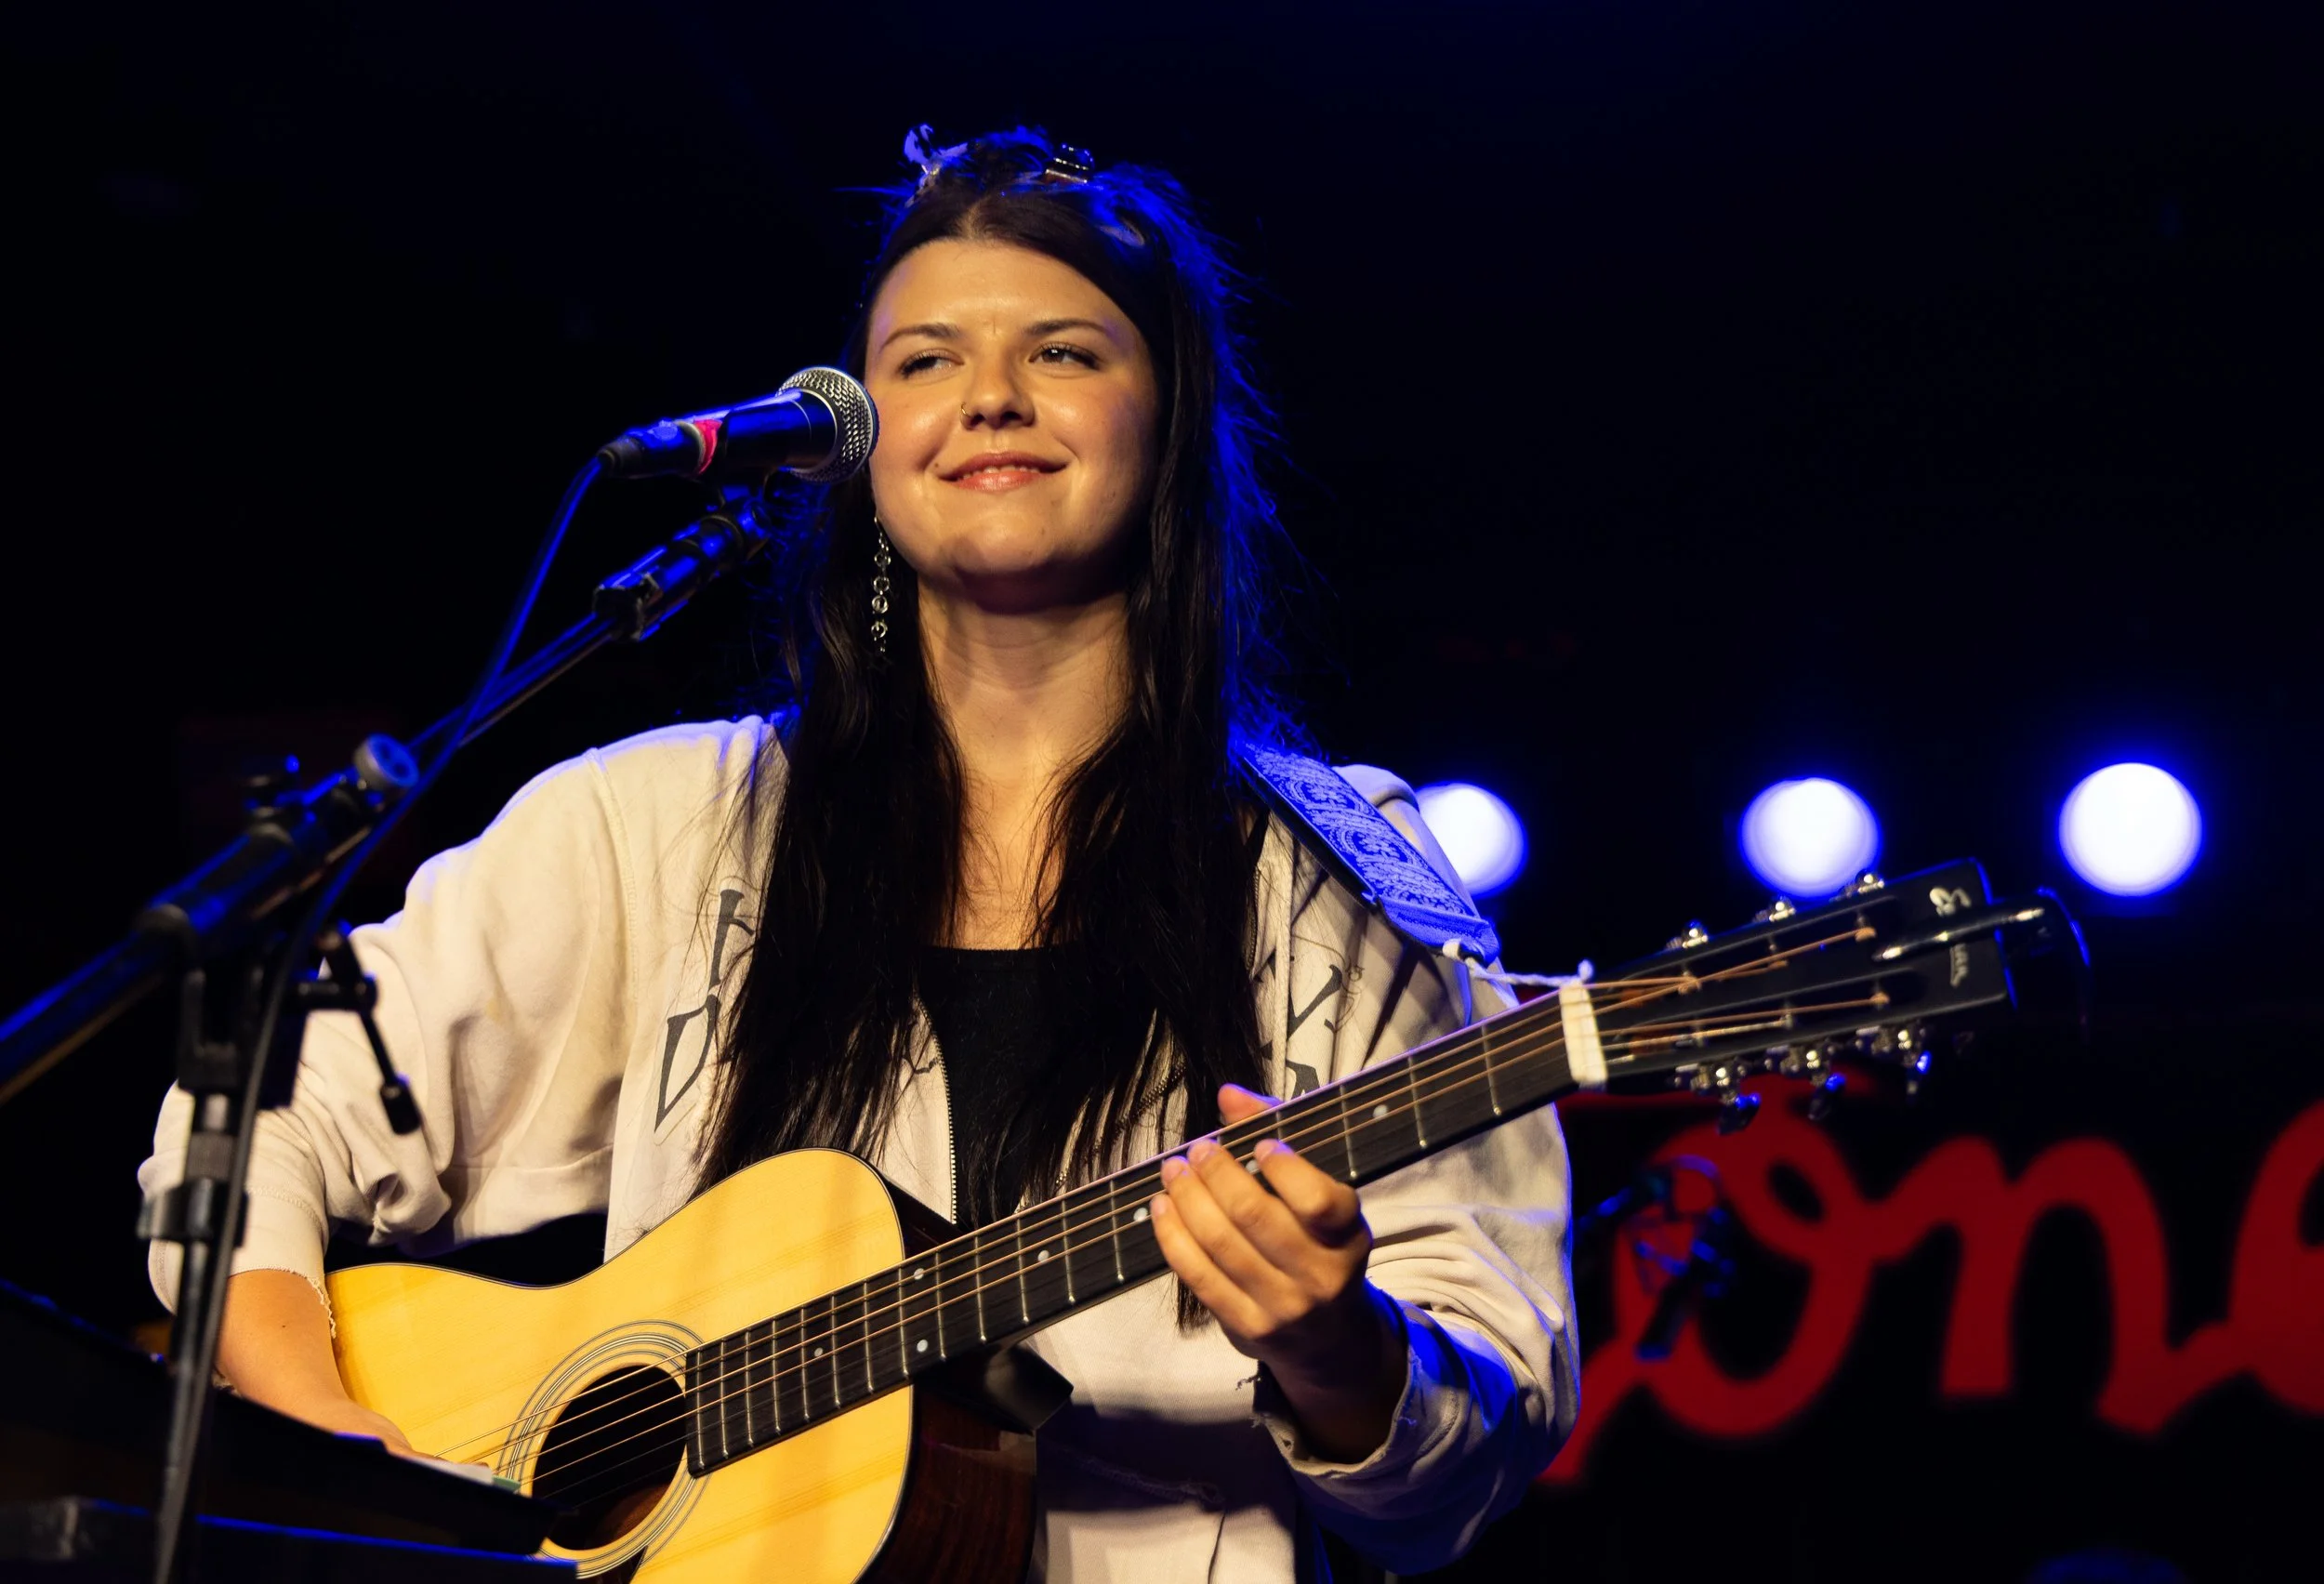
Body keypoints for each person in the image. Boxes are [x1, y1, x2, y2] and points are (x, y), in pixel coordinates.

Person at [139, 126, 1578, 1582]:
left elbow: (1483, 1447)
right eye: (924, 360)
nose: (992, 398)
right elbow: (253, 1108)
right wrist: (322, 1438)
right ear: (856, 438)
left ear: (1170, 418)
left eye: (1067, 353)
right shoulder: (658, 822)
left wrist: (1342, 1355)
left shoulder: (1342, 864)